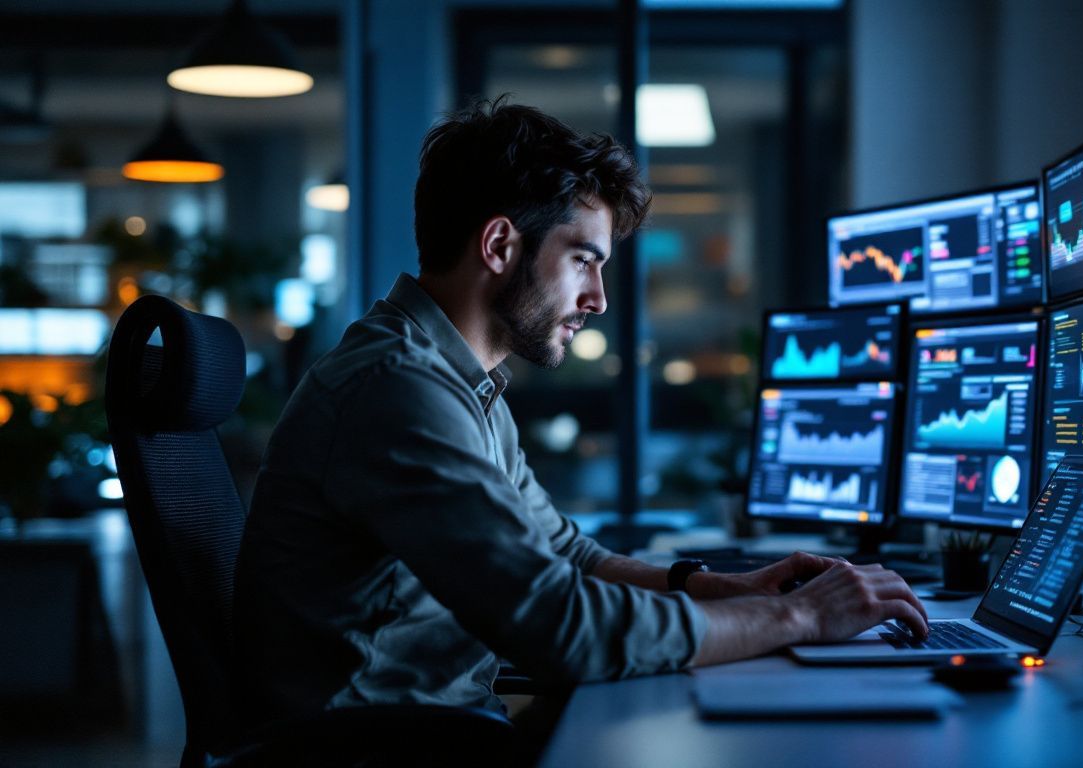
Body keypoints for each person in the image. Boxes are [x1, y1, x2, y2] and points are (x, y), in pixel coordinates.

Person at [233, 98, 928, 732]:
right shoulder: (398, 389)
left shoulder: (455, 380)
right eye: (583, 261)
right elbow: (559, 624)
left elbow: (565, 554)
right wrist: (798, 615)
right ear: (500, 246)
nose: (597, 298)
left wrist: (719, 588)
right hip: (377, 748)